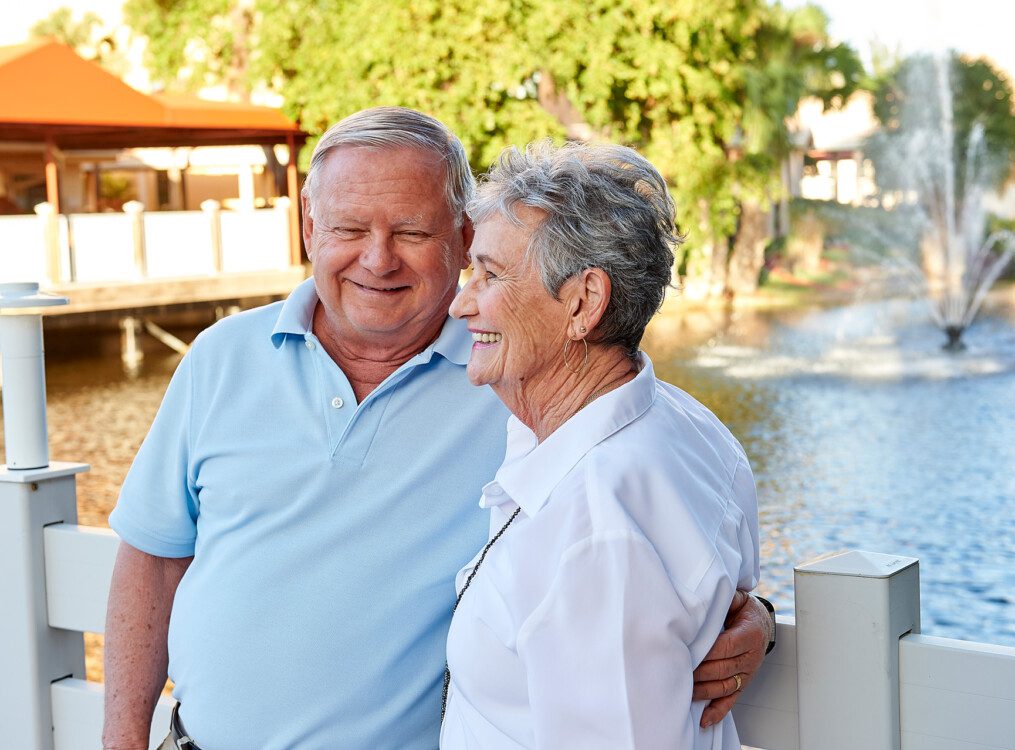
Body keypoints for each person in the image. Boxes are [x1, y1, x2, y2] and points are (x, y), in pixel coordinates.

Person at [102, 108, 772, 750]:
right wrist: (123, 741)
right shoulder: (222, 357)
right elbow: (153, 558)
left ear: (461, 235)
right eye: (348, 229)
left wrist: (748, 614)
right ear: (309, 225)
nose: (377, 259)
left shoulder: (515, 375)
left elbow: (647, 461)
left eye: (412, 233)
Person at [441, 141, 760, 748]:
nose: (461, 303)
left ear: (583, 302)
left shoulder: (596, 532)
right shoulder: (685, 425)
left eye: (490, 275)